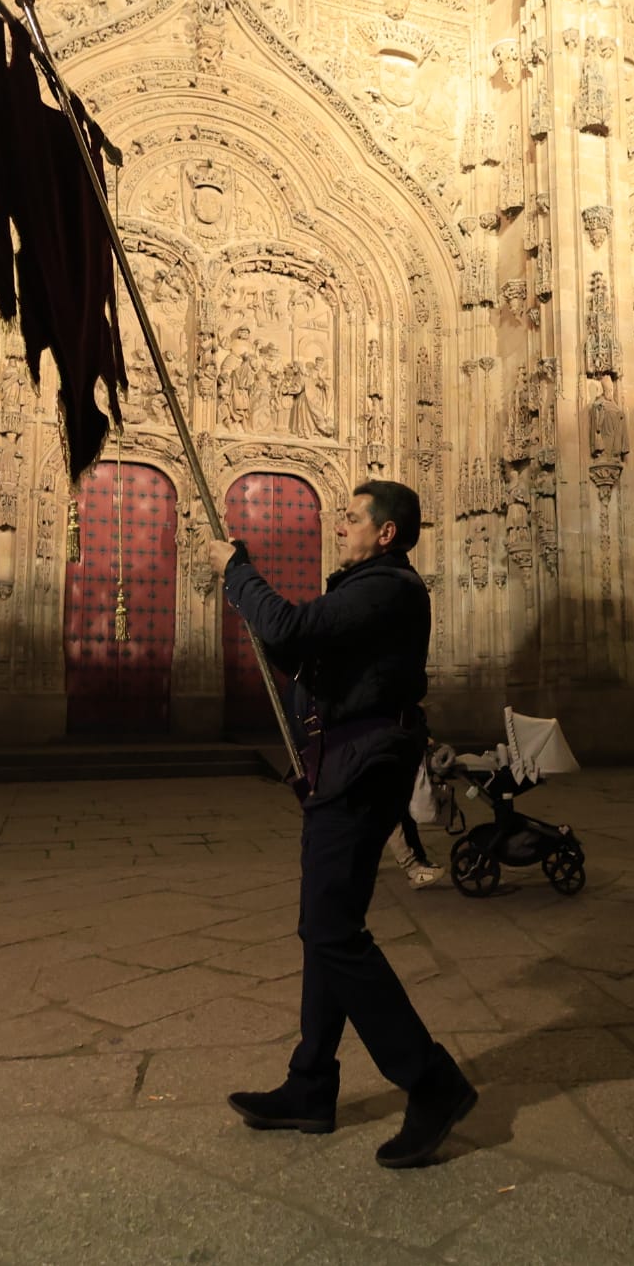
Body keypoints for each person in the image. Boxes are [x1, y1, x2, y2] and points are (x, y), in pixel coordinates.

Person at [207, 481, 478, 1168]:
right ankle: (311, 1085)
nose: (340, 528)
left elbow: (290, 629)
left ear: (386, 532)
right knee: (329, 927)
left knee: (329, 927)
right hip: (342, 763)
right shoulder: (366, 590)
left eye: (352, 518)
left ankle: (431, 1079)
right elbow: (304, 653)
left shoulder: (388, 587)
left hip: (361, 767)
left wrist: (237, 571)